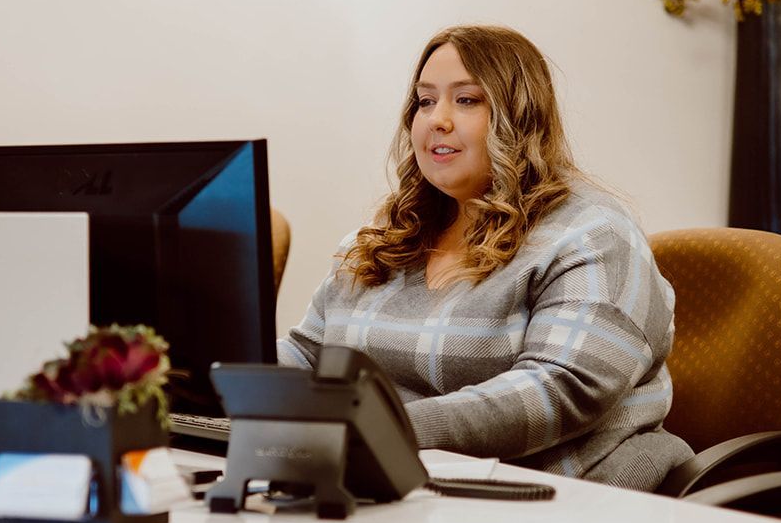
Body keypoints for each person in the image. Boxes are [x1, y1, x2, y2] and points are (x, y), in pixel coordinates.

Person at [278, 25, 692, 490]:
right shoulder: (385, 237)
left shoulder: (591, 233)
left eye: (468, 100)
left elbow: (560, 388)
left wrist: (382, 427)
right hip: (404, 491)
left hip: (560, 504)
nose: (438, 119)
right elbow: (308, 355)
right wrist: (214, 379)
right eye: (425, 100)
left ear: (521, 117)